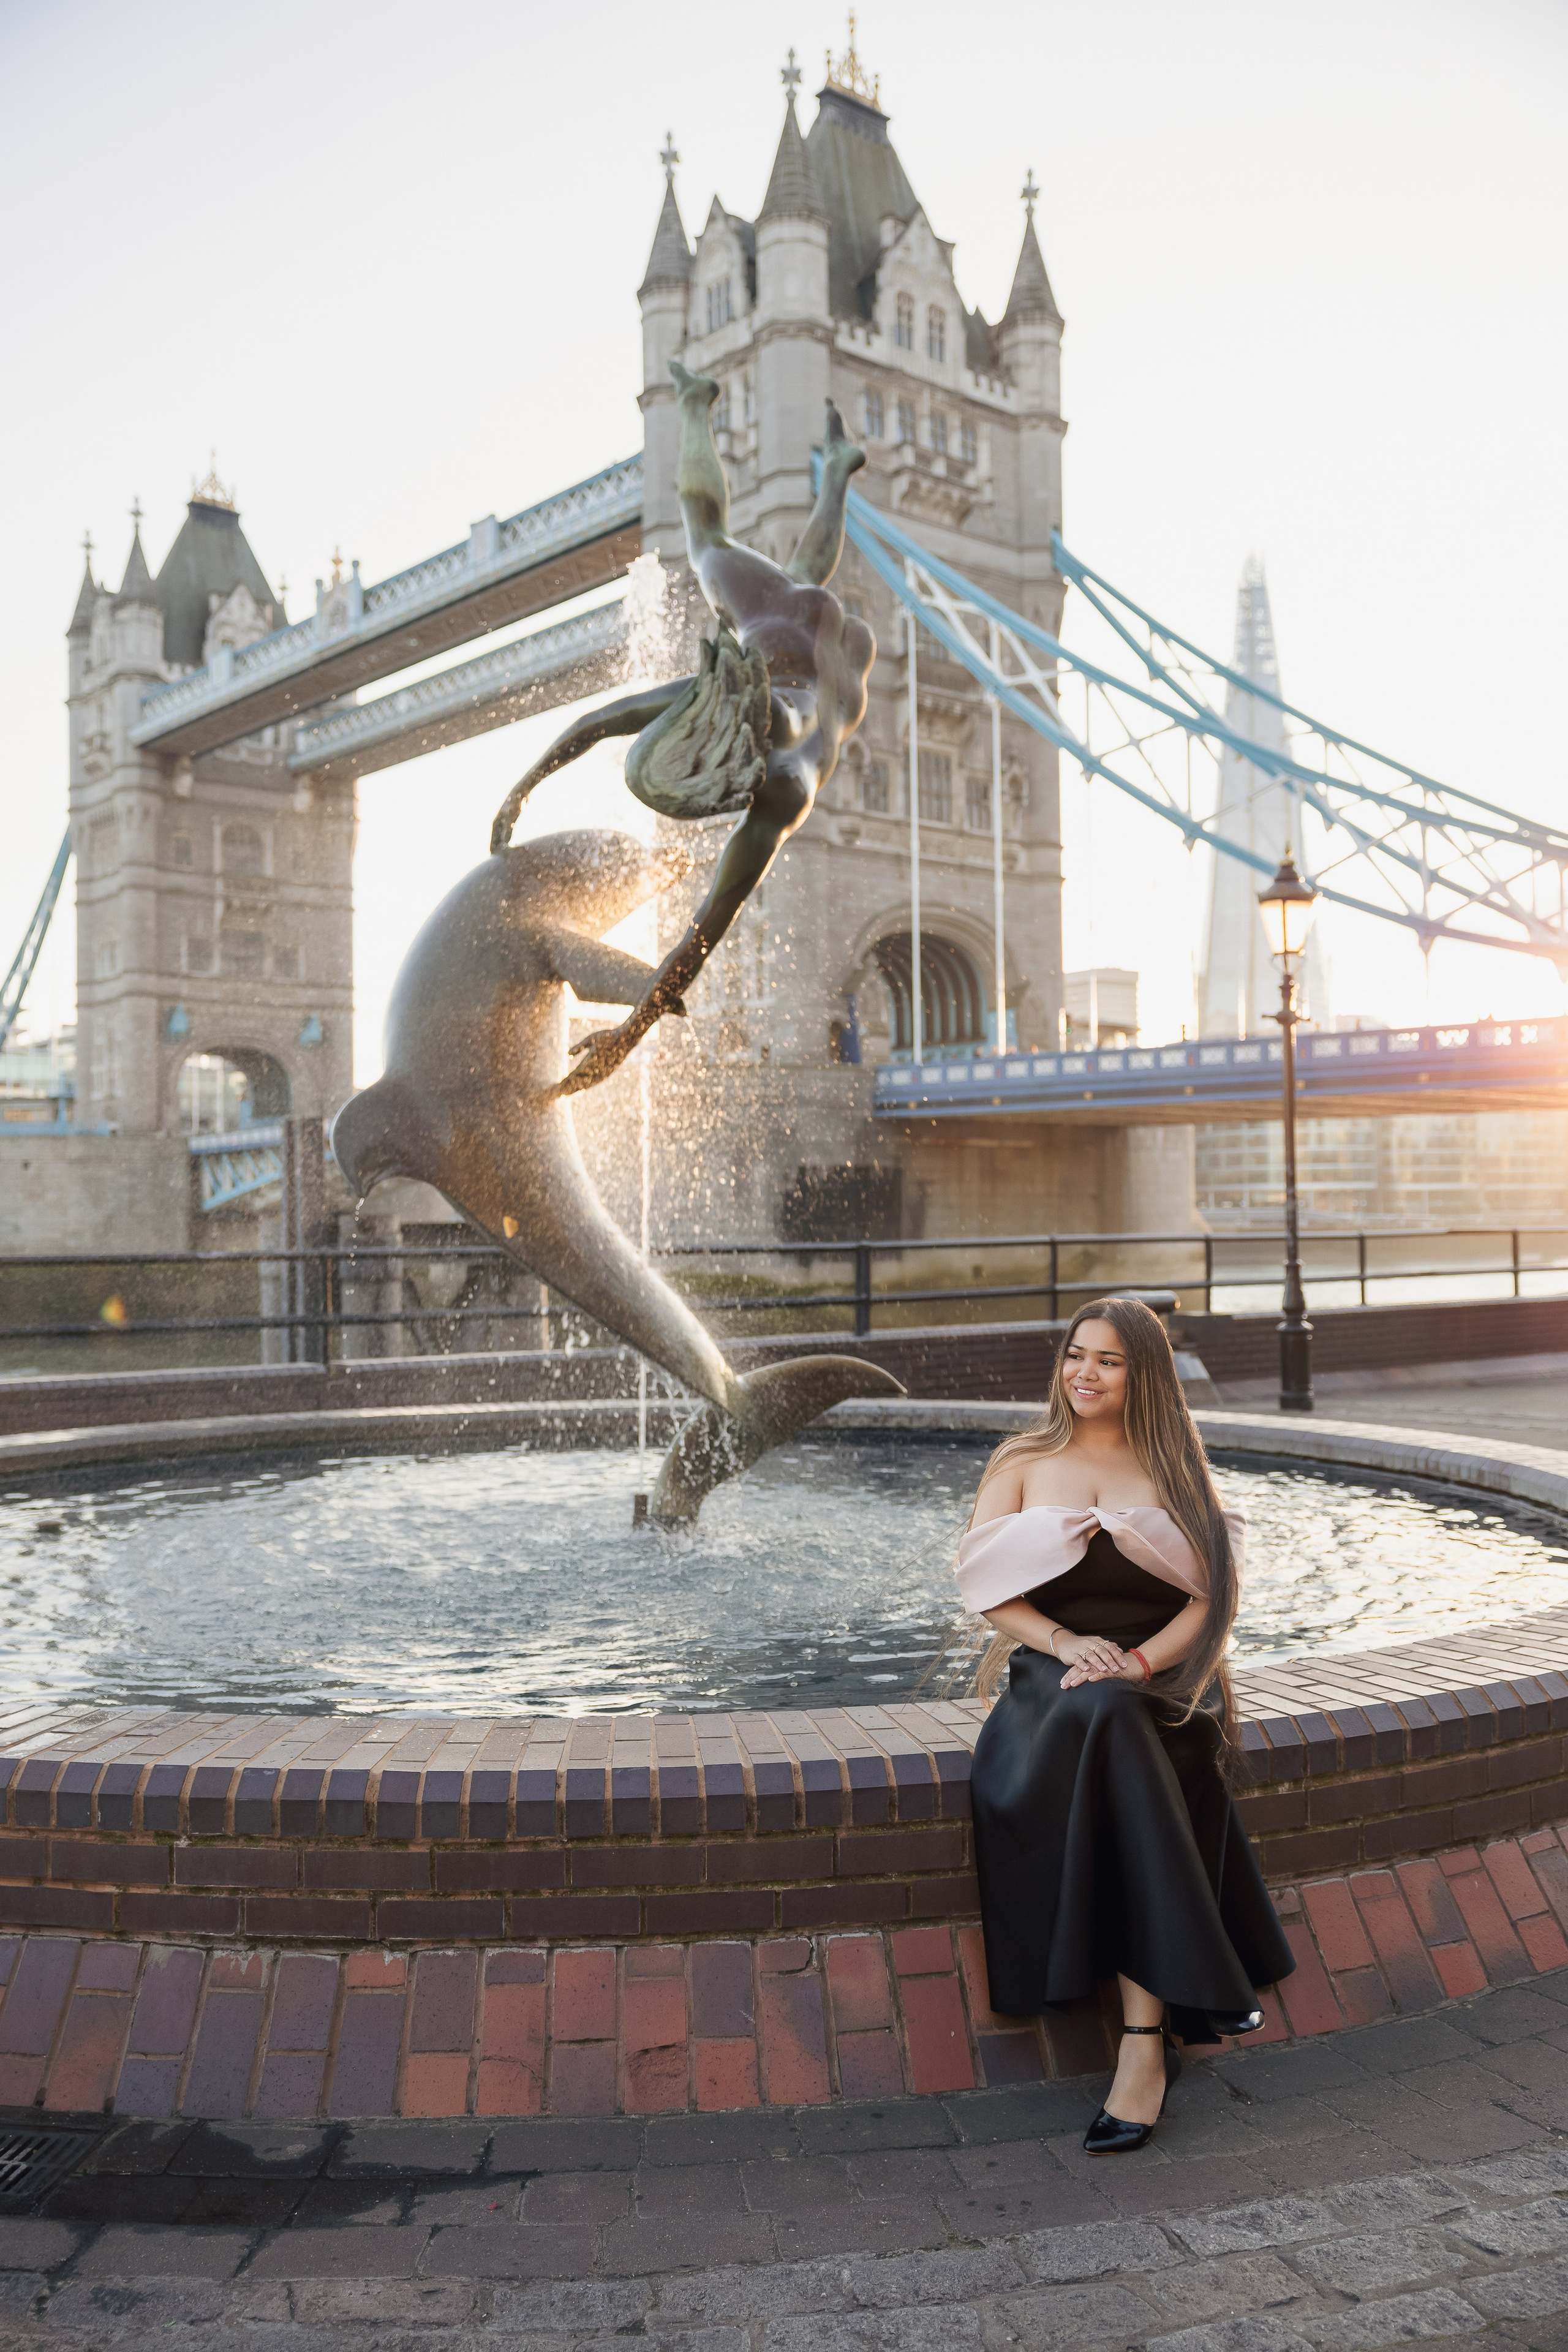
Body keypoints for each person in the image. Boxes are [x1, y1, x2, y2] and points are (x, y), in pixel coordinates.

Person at [958, 1296, 1295, 2154]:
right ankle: (1150, 2036)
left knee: (1117, 1715)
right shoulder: (1024, 1461)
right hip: (1054, 1680)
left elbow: (1211, 1599)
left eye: (1108, 1360)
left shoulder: (1175, 1466)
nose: (1086, 1374)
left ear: (1144, 1372)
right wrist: (1069, 1640)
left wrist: (1140, 1664)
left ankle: (1143, 2043)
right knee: (1102, 1713)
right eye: (1077, 1355)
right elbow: (990, 1592)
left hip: (1166, 1682)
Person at [488, 357, 876, 1098]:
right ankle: (814, 464)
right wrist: (522, 788)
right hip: (798, 639)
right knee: (750, 558)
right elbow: (604, 723)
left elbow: (701, 932)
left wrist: (628, 1038)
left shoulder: (780, 791)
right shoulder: (726, 705)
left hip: (828, 651)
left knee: (715, 538)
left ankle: (731, 422)